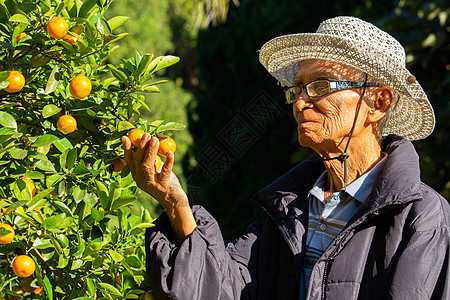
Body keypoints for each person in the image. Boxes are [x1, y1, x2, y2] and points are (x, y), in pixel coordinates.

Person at [121, 16, 449, 300]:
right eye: (297, 90)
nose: (299, 103)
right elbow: (226, 289)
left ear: (377, 102)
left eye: (320, 86)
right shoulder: (288, 210)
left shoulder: (422, 218)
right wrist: (174, 202)